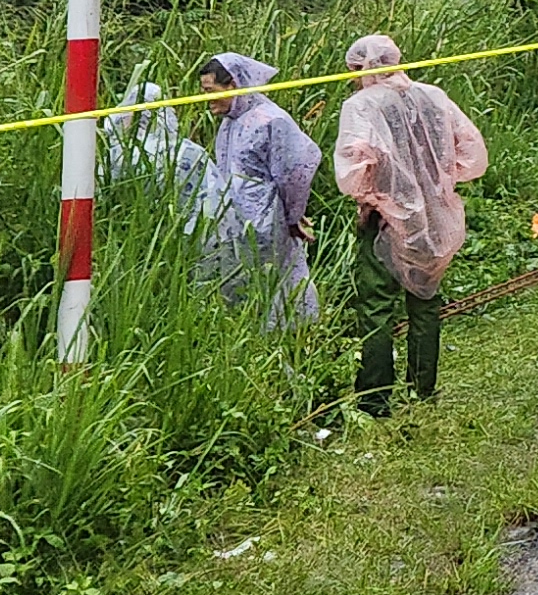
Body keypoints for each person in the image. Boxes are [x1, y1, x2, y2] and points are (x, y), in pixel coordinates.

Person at [332, 34, 489, 416]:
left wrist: (379, 196)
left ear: (357, 69)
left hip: (384, 218)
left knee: (376, 307)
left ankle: (376, 397)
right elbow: (472, 151)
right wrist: (437, 184)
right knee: (425, 299)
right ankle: (422, 387)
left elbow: (353, 172)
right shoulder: (433, 96)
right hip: (435, 216)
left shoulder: (360, 106)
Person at [198, 53, 320, 325]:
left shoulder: (270, 120)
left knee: (280, 289)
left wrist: (292, 215)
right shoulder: (230, 123)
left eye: (210, 91)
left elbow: (296, 170)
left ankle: (289, 348)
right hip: (237, 226)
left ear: (233, 84)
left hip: (268, 224)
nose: (205, 99)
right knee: (246, 295)